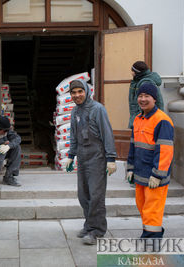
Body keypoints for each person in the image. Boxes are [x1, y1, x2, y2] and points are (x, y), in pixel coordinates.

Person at [65, 79, 117, 245]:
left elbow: (107, 133)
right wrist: (71, 155)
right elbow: (73, 135)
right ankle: (89, 225)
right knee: (83, 195)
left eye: (80, 91)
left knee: (96, 196)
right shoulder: (75, 112)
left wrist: (111, 158)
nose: (77, 95)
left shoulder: (98, 109)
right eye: (74, 92)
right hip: (82, 156)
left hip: (97, 157)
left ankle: (97, 230)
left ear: (86, 91)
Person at [126, 83, 174, 238]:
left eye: (147, 96)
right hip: (140, 174)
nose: (143, 99)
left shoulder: (162, 120)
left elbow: (165, 150)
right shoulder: (138, 119)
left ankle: (151, 241)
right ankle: (154, 232)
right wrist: (130, 168)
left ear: (154, 99)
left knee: (152, 210)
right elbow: (133, 147)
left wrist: (158, 175)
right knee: (142, 207)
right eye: (140, 96)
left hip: (154, 176)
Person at [128, 61, 164, 129]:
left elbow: (144, 103)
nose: (131, 72)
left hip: (145, 120)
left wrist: (140, 119)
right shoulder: (139, 81)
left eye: (132, 70)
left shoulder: (145, 83)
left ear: (137, 72)